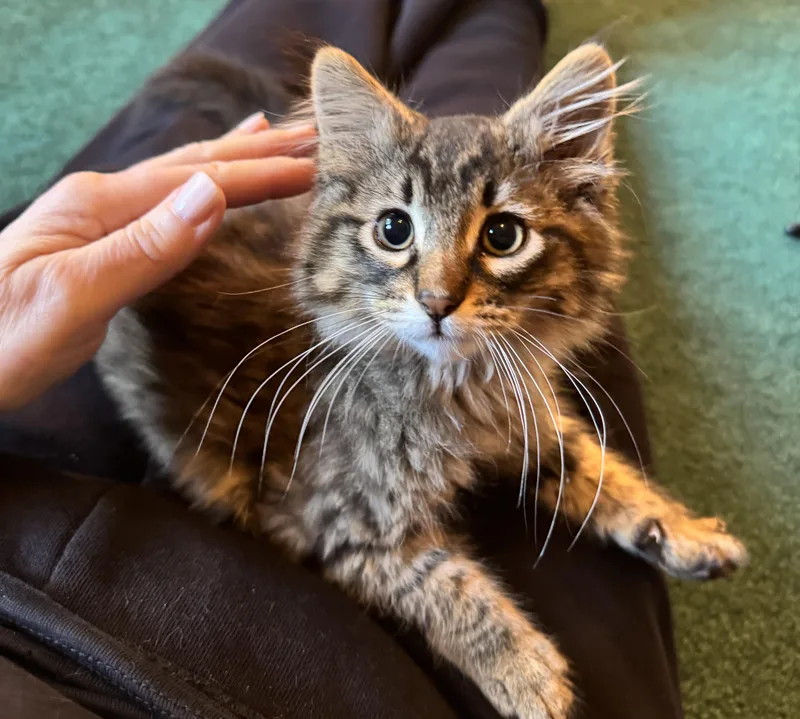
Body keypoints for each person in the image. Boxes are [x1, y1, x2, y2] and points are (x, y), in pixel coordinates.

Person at [0, 1, 684, 718]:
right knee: (476, 49)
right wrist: (485, 637)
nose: (439, 292)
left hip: (75, 274)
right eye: (398, 231)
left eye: (501, 233)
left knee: (225, 111)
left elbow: (539, 436)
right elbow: (339, 532)